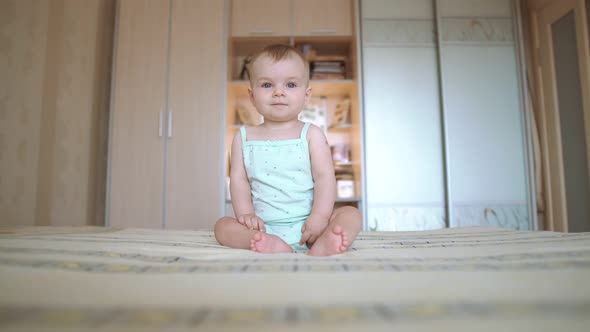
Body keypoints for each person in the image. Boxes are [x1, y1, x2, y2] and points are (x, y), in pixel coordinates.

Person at [214, 44, 361, 256]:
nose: (279, 92)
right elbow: (239, 180)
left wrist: (319, 218)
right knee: (222, 226)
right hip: (263, 227)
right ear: (252, 96)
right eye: (266, 85)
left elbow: (324, 177)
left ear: (306, 96)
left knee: (350, 213)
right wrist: (246, 214)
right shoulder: (243, 137)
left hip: (309, 228)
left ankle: (324, 244)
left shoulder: (312, 134)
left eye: (291, 84)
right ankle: (264, 243)